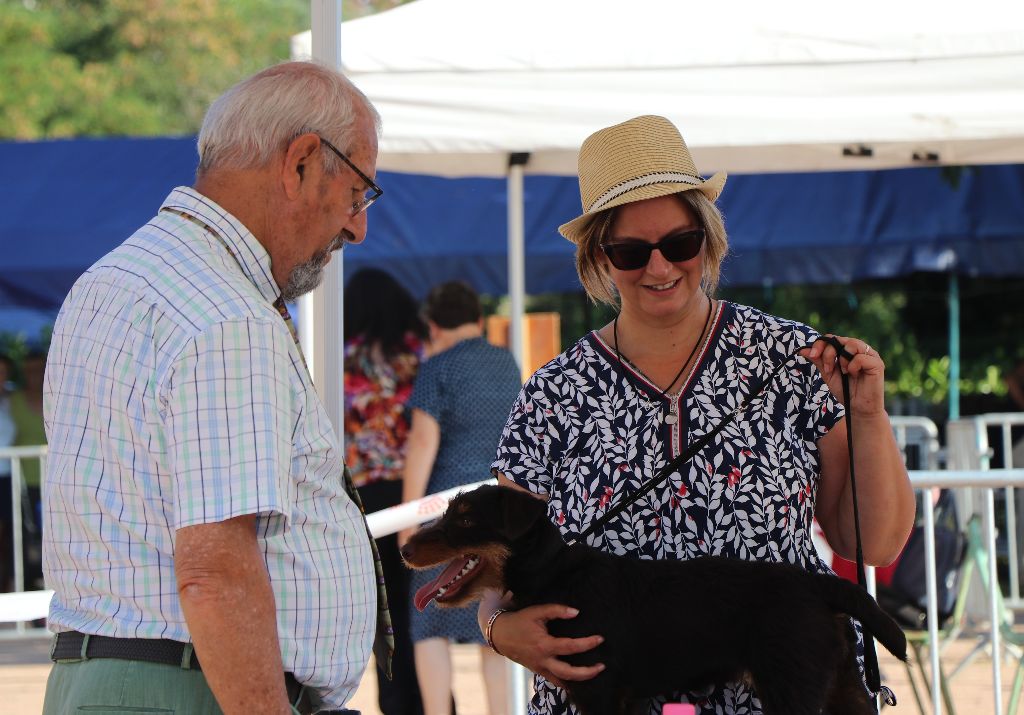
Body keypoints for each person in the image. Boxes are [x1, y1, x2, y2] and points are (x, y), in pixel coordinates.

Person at [479, 115, 916, 715]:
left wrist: (868, 416)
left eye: (679, 244)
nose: (660, 269)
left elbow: (876, 541)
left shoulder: (787, 358)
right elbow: (496, 569)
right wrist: (500, 632)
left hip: (782, 691)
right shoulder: (553, 393)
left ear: (709, 239)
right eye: (631, 252)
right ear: (599, 261)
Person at [41, 61, 386, 715]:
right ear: (303, 162)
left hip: (119, 679)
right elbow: (217, 568)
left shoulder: (113, 279)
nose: (357, 227)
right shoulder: (225, 311)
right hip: (190, 689)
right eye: (359, 193)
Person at [398, 281, 522, 715]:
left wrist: (409, 521)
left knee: (429, 623)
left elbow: (422, 444)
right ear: (480, 320)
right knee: (496, 622)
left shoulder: (438, 367)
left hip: (445, 515)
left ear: (433, 325)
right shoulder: (507, 362)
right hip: (496, 512)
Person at [343, 267, 428, 715]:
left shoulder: (338, 358)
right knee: (424, 610)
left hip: (364, 501)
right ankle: (437, 702)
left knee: (386, 617)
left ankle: (397, 706)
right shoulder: (417, 354)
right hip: (419, 494)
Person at [9, 348, 46, 590]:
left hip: (54, 482)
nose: (33, 375)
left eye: (38, 370)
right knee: (26, 544)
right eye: (28, 370)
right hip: (22, 484)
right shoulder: (13, 402)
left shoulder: (55, 397)